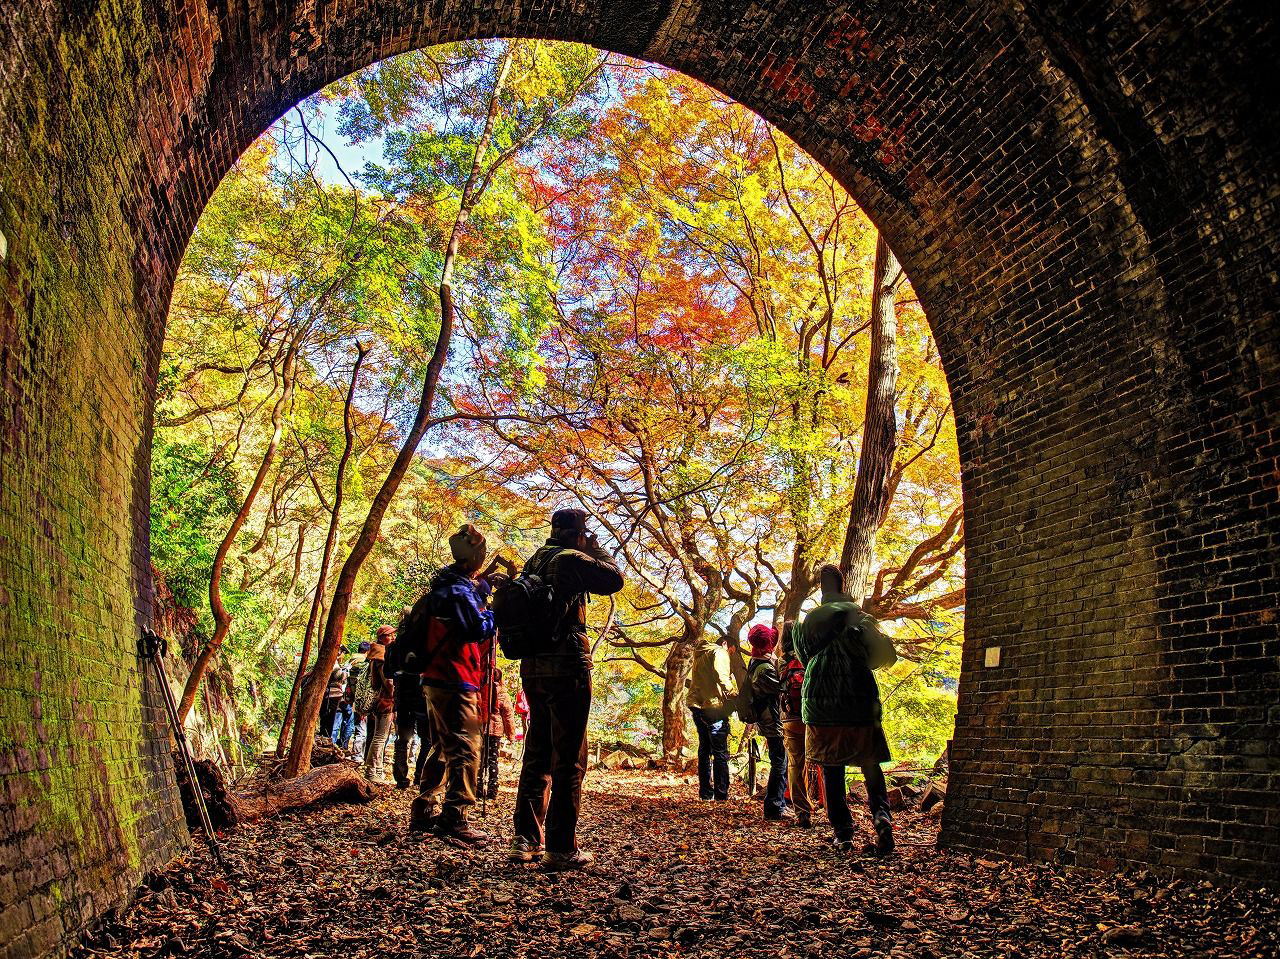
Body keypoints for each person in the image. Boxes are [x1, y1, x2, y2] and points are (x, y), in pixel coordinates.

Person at [511, 508, 624, 871]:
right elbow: (614, 579)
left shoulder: (534, 560)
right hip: (567, 667)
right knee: (570, 756)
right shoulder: (571, 558)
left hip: (533, 668)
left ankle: (524, 839)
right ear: (577, 534)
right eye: (585, 533)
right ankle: (561, 847)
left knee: (538, 750)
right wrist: (595, 547)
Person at [792, 564, 894, 855]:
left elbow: (803, 657)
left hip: (821, 705)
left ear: (822, 589)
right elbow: (881, 657)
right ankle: (882, 820)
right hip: (859, 700)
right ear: (843, 585)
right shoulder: (861, 618)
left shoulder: (810, 621)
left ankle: (843, 833)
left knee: (831, 768)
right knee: (870, 765)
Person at [407, 524, 498, 843]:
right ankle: (455, 816)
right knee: (466, 747)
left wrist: (485, 586)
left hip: (434, 677)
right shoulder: (459, 592)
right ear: (474, 555)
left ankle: (423, 809)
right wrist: (493, 612)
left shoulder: (445, 587)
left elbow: (468, 601)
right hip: (456, 677)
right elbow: (476, 628)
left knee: (443, 746)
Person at [746, 623, 789, 821]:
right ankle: (774, 807)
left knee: (780, 761)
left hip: (767, 719)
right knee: (780, 762)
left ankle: (778, 804)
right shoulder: (764, 668)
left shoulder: (756, 661)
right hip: (772, 721)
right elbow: (781, 689)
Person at [687, 633, 737, 802]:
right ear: (725, 644)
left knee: (704, 750)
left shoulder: (701, 654)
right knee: (720, 751)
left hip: (696, 705)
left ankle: (705, 793)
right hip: (713, 707)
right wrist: (733, 691)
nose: (730, 655)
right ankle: (721, 795)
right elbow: (721, 676)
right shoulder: (719, 652)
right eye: (731, 651)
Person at [387, 621, 432, 790]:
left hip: (403, 698)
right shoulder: (426, 644)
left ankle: (401, 778)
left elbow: (388, 672)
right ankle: (420, 776)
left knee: (403, 739)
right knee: (426, 740)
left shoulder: (394, 646)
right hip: (421, 698)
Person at [777, 622, 812, 828]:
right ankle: (832, 807)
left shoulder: (781, 661)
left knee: (796, 764)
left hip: (790, 717)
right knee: (824, 761)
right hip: (812, 715)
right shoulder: (809, 657)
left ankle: (802, 812)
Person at [362, 627, 396, 782]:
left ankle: (378, 771)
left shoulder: (379, 653)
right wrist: (395, 693)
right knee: (380, 737)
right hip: (384, 700)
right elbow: (387, 682)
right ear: (382, 637)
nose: (394, 637)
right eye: (390, 635)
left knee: (380, 736)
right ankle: (371, 772)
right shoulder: (380, 656)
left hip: (384, 700)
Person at [482, 667, 516, 799]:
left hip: (482, 729)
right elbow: (508, 717)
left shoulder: (482, 690)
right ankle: (492, 786)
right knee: (492, 760)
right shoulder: (503, 694)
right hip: (495, 732)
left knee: (480, 759)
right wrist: (510, 735)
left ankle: (478, 785)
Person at [343, 642, 371, 753]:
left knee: (354, 726)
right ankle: (357, 754)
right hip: (365, 701)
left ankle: (350, 750)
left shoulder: (350, 662)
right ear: (367, 651)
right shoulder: (366, 664)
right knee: (362, 729)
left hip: (351, 699)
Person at [320, 661, 348, 739]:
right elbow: (337, 675)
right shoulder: (333, 662)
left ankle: (325, 737)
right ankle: (326, 738)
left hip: (329, 694)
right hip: (332, 695)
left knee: (326, 719)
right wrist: (345, 673)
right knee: (329, 720)